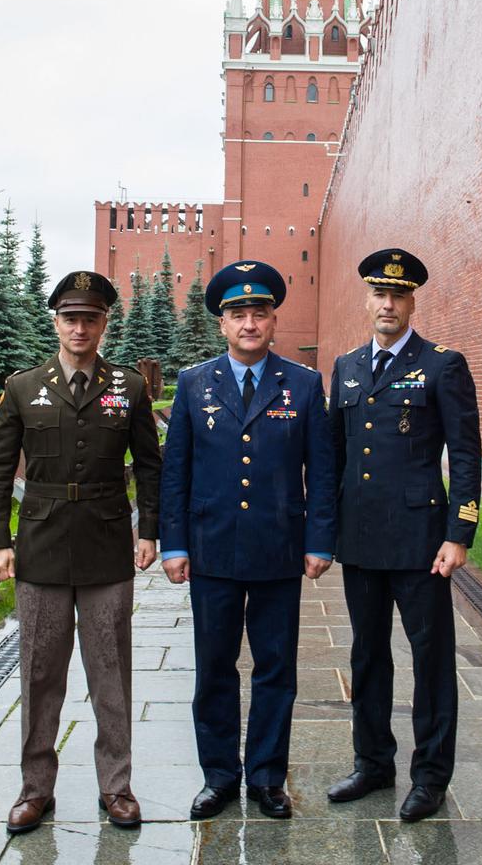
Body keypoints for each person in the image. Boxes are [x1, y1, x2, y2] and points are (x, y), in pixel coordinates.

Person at [0, 270, 161, 835]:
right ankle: (36, 789)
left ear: (105, 323)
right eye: (69, 317)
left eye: (90, 318)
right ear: (55, 321)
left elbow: (150, 467)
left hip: (108, 545)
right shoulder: (22, 387)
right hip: (41, 547)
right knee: (39, 673)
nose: (79, 327)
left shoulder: (128, 387)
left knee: (111, 671)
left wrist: (148, 530)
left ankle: (117, 787)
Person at [160, 260, 336, 820]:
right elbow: (175, 471)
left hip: (279, 549)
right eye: (238, 313)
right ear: (222, 324)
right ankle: (218, 776)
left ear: (273, 320)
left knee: (275, 667)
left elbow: (323, 470)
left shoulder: (304, 384)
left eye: (259, 312)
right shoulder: (193, 384)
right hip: (211, 549)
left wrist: (320, 541)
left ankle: (265, 776)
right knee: (213, 666)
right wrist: (174, 544)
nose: (249, 322)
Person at [325, 248, 482, 823]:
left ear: (412, 301)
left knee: (430, 659)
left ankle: (431, 776)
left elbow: (466, 455)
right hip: (362, 540)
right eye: (378, 294)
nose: (387, 304)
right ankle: (373, 763)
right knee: (367, 656)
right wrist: (325, 530)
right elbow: (335, 457)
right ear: (367, 301)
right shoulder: (345, 367)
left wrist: (459, 531)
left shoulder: (443, 364)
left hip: (421, 541)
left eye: (398, 295)